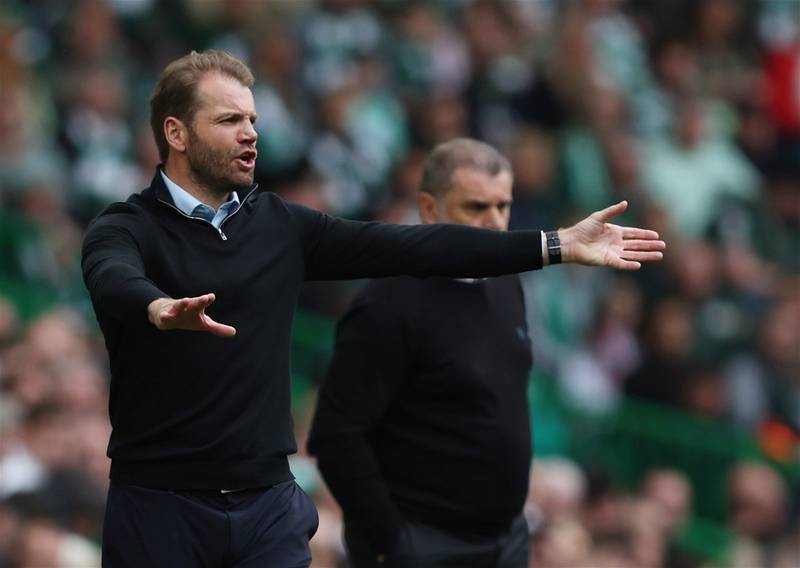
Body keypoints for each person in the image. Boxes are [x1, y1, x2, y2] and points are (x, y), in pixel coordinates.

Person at [81, 50, 664, 567]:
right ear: (177, 133)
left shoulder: (279, 225)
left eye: (253, 120)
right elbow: (113, 277)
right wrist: (157, 307)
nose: (251, 134)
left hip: (265, 508)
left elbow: (415, 245)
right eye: (230, 120)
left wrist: (555, 244)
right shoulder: (126, 226)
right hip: (161, 505)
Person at [307, 138, 663, 568]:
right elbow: (336, 435)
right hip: (424, 544)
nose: (494, 221)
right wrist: (391, 539)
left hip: (503, 539)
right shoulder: (388, 303)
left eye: (503, 205)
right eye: (476, 207)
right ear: (429, 208)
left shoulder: (506, 284)